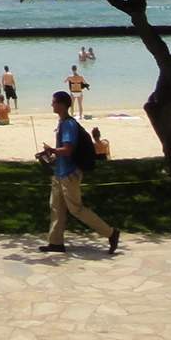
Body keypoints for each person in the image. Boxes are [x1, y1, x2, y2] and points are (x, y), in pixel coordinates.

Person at [38, 90, 118, 255]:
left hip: (69, 173)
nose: (52, 104)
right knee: (56, 208)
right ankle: (55, 242)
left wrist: (52, 150)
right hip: (59, 172)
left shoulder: (69, 124)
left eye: (54, 102)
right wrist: (52, 154)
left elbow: (67, 150)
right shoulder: (62, 122)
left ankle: (110, 233)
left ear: (61, 104)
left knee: (76, 209)